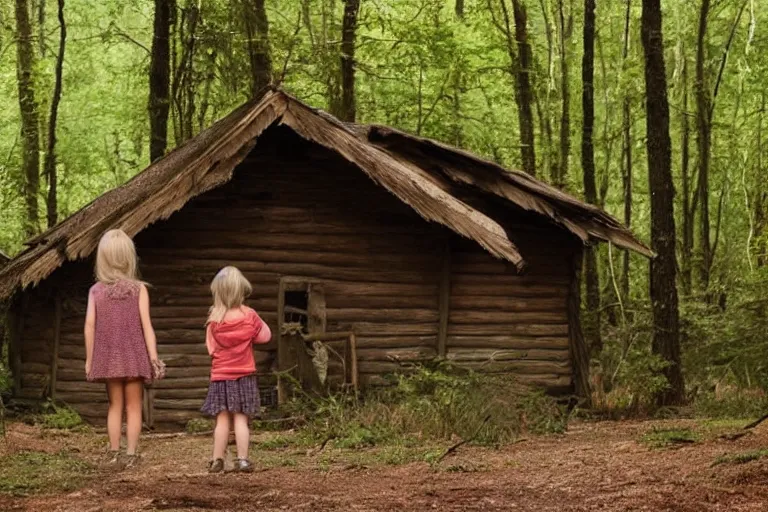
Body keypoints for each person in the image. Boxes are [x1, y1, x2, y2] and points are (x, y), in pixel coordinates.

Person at [84, 229, 161, 468]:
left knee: (114, 405)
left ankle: (113, 452)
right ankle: (130, 453)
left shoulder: (96, 291)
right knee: (134, 406)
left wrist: (89, 359)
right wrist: (154, 358)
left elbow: (89, 325)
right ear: (129, 257)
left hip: (109, 359)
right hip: (135, 358)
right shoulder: (139, 289)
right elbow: (147, 326)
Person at [202, 266, 271, 473]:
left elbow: (211, 349)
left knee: (222, 420)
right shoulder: (249, 315)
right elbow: (265, 336)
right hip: (244, 375)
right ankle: (242, 460)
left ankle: (217, 460)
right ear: (241, 290)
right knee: (241, 419)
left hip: (221, 376)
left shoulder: (214, 319)